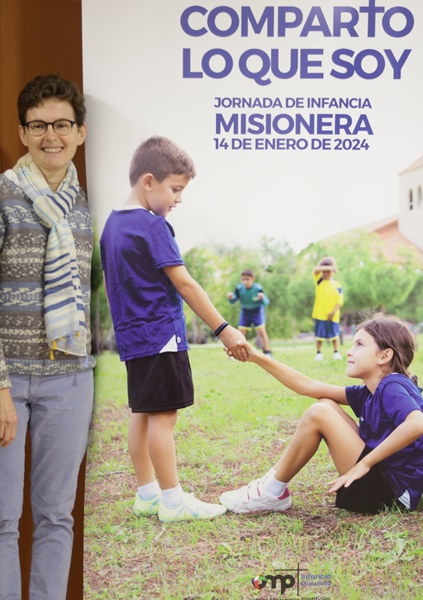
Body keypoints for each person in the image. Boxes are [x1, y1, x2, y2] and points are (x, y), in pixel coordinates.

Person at [0, 75, 94, 600]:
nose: (52, 136)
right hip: (5, 385)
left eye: (62, 124)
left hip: (69, 378)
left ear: (80, 133)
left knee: (56, 515)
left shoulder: (86, 203)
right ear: (22, 132)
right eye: (39, 125)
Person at [99, 135, 249, 522]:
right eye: (175, 189)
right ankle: (172, 500)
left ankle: (147, 493)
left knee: (142, 414)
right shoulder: (151, 227)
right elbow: (184, 283)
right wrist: (224, 329)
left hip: (131, 336)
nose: (179, 200)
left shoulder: (111, 227)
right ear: (148, 181)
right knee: (163, 418)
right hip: (160, 334)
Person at [220, 314, 423, 515]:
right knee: (326, 404)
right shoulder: (372, 391)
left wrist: (365, 463)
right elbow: (309, 386)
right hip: (383, 484)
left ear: (385, 355)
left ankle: (271, 491)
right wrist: (256, 357)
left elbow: (417, 424)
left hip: (391, 495)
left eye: (359, 344)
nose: (349, 351)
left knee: (321, 412)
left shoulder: (392, 385)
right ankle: (272, 489)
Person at [227, 268, 273, 357]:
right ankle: (238, 353)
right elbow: (233, 301)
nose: (245, 281)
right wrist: (230, 298)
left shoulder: (258, 288)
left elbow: (266, 303)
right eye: (243, 279)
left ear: (253, 279)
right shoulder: (239, 289)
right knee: (240, 332)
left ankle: (267, 352)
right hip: (245, 311)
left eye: (247, 279)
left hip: (257, 311)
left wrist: (262, 298)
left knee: (261, 331)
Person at [312, 257, 344, 361]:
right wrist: (329, 266)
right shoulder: (319, 281)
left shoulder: (337, 284)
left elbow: (340, 301)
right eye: (324, 271)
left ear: (332, 272)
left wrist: (333, 312)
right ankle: (318, 353)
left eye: (328, 271)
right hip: (320, 314)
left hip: (333, 315)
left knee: (334, 335)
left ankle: (336, 352)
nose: (326, 273)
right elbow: (315, 270)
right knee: (319, 336)